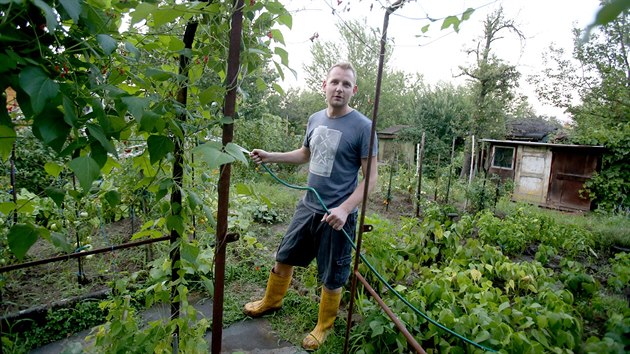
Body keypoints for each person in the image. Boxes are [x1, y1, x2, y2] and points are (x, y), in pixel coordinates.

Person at [244, 62, 378, 350]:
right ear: (324, 85)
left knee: (332, 274)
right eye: (335, 82)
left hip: (337, 216)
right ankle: (272, 301)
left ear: (354, 90)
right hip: (308, 206)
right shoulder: (315, 118)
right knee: (284, 255)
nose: (339, 88)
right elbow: (305, 154)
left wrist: (344, 209)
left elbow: (372, 178)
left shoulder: (364, 127)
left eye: (345, 84)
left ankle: (323, 326)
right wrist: (271, 156)